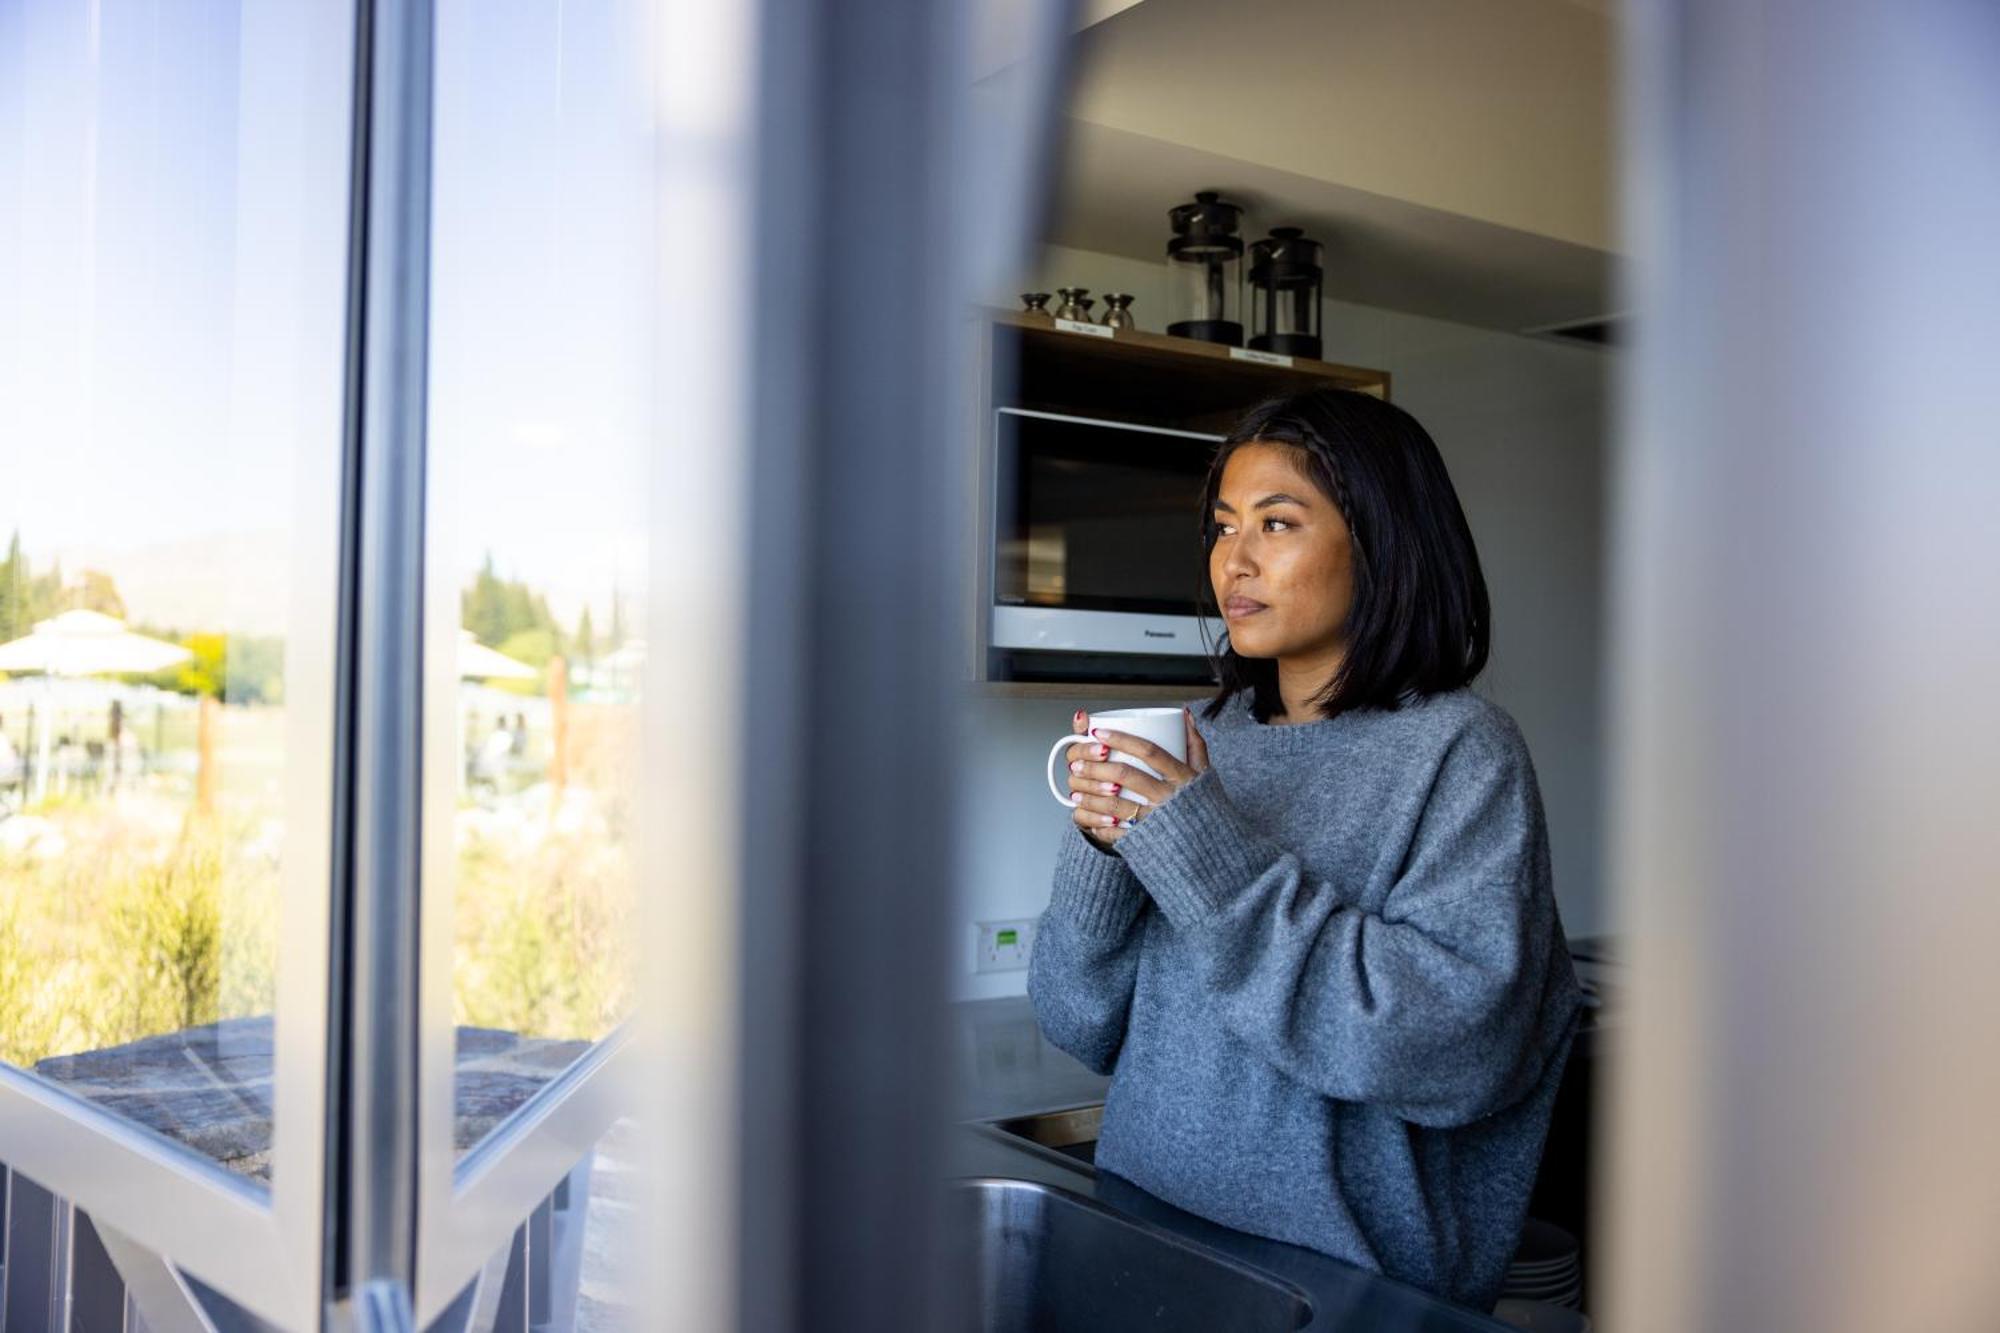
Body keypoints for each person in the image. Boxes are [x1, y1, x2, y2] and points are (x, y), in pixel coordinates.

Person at [1030, 388, 1581, 1313]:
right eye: (1222, 526)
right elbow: (1079, 1022)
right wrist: (1102, 850)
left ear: (1382, 542)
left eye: (1277, 523)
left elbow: (1458, 1052)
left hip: (1341, 1290)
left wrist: (1202, 849)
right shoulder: (1201, 742)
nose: (1232, 560)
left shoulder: (1459, 751)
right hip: (1138, 1238)